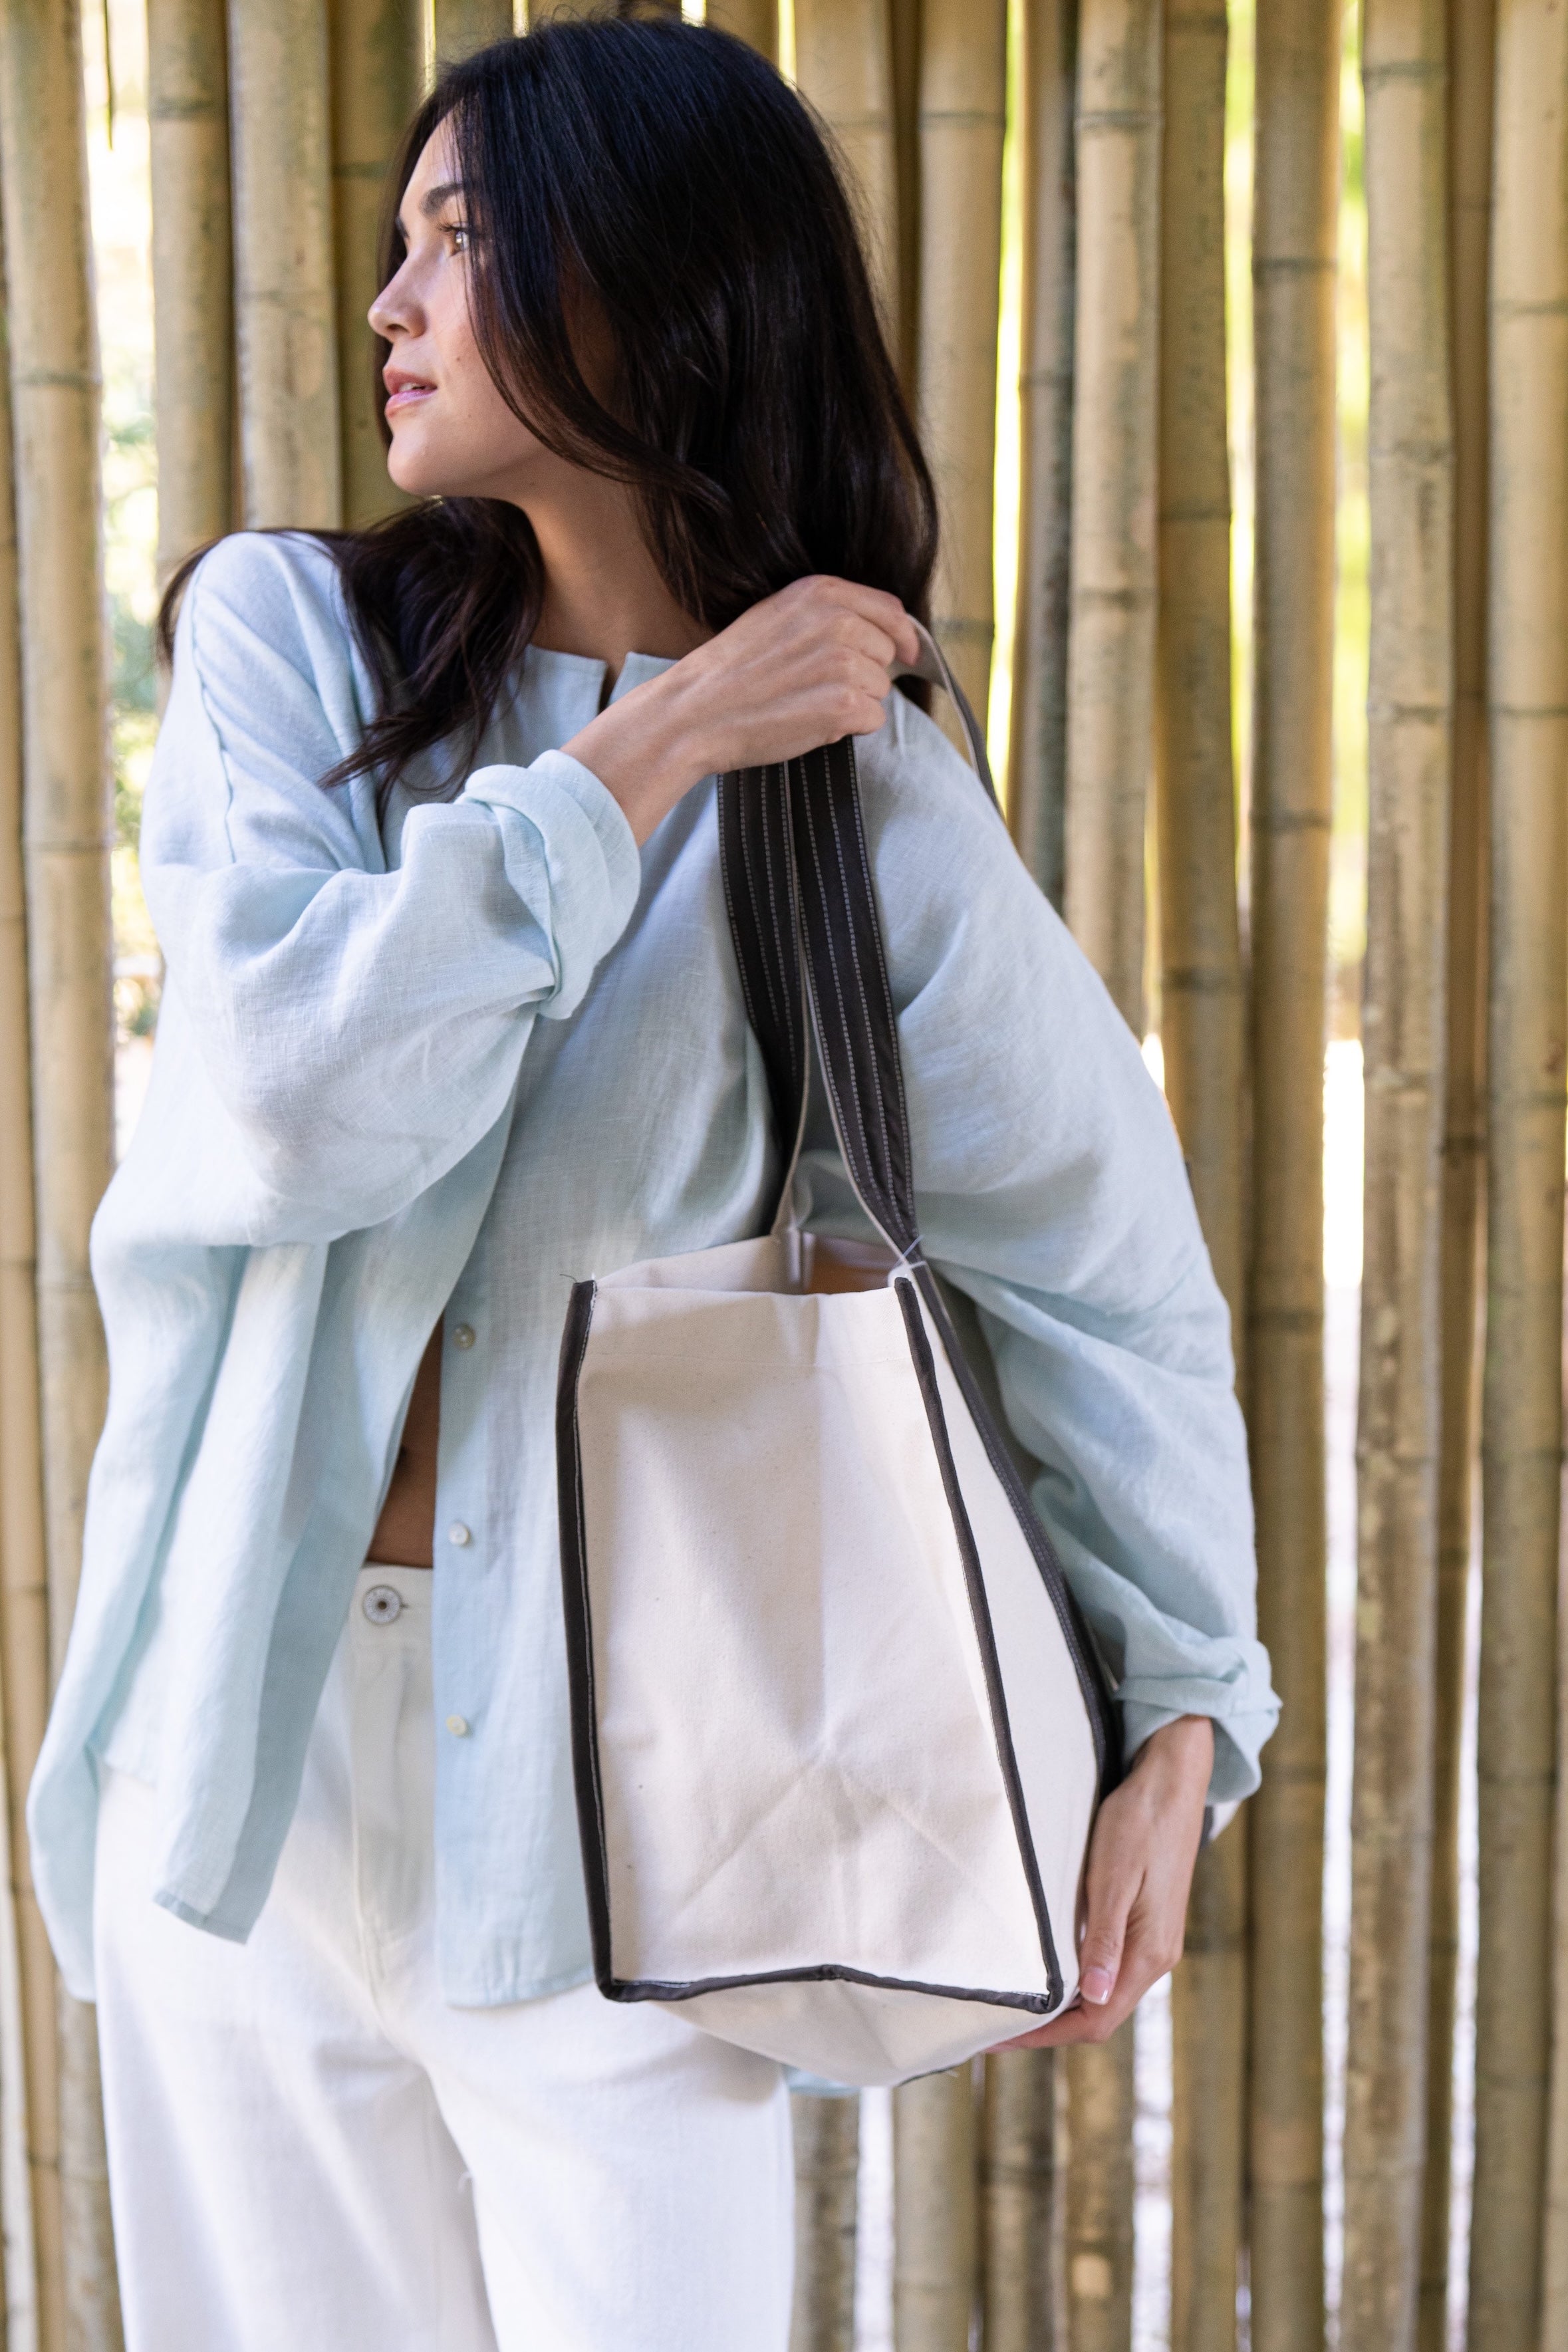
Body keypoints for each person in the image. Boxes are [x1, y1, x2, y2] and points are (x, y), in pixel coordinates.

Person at [27, 14, 1277, 2349]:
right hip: (249, 1787)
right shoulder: (289, 647)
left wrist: (1187, 1697)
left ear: (647, 277)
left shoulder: (855, 794)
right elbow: (286, 1098)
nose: (392, 301)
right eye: (397, 243)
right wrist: (672, 727)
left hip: (630, 1813)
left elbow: (1103, 1269)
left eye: (461, 241)